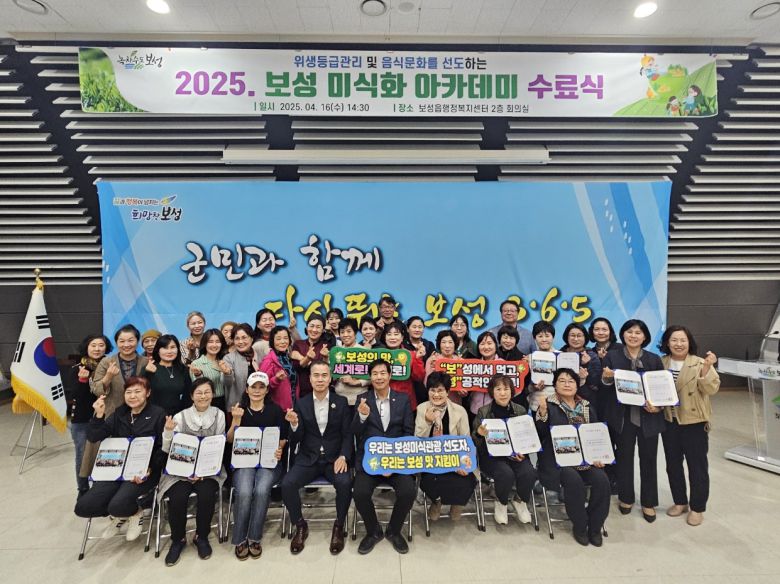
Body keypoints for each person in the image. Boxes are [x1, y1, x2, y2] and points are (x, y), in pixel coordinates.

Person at [75, 377, 165, 542]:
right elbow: (94, 436)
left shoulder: (157, 414)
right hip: (115, 469)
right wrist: (99, 415)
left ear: (148, 393)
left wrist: (150, 468)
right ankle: (123, 514)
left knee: (118, 504)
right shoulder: (119, 413)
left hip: (143, 472)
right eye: (128, 392)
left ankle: (134, 513)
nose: (132, 396)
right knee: (83, 507)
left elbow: (162, 447)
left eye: (138, 391)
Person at [282, 360, 353, 555]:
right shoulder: (301, 403)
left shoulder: (341, 402)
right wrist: (294, 425)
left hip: (334, 459)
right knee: (287, 484)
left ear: (330, 378)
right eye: (316, 375)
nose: (320, 379)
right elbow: (296, 438)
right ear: (310, 379)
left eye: (324, 375)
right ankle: (300, 525)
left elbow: (347, 434)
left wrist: (344, 456)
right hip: (308, 458)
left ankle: (338, 526)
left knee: (345, 483)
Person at [536, 368, 610, 546]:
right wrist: (542, 411)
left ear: (577, 386)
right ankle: (580, 525)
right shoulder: (548, 404)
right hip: (558, 462)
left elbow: (596, 433)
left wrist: (599, 456)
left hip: (586, 460)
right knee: (573, 480)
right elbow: (539, 434)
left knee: (602, 481)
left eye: (571, 381)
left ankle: (595, 526)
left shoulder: (587, 406)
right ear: (555, 385)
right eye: (562, 381)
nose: (567, 384)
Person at [602, 319, 666, 522]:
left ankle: (648, 502)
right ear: (623, 334)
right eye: (629, 332)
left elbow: (661, 388)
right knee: (624, 459)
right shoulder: (612, 356)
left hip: (648, 417)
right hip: (623, 418)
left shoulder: (654, 359)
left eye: (638, 332)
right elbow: (604, 385)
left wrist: (658, 406)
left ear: (645, 336)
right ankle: (626, 498)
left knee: (649, 459)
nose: (633, 336)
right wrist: (607, 378)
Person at [158, 378, 227, 566]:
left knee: (207, 494)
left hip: (208, 469)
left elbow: (218, 446)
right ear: (191, 396)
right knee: (177, 497)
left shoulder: (219, 415)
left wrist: (203, 471)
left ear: (213, 394)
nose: (203, 396)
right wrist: (168, 432)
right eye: (199, 393)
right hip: (180, 469)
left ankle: (201, 536)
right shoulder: (180, 417)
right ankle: (178, 539)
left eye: (207, 392)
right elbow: (169, 449)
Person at [351, 360, 416, 555]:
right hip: (370, 461)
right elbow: (355, 432)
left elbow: (408, 432)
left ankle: (394, 531)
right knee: (360, 493)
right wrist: (362, 417)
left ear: (389, 376)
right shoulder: (362, 399)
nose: (379, 377)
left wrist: (392, 463)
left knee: (408, 492)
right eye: (375, 374)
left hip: (396, 461)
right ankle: (373, 531)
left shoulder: (402, 399)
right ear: (370, 377)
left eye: (382, 373)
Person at [659, 325, 720, 527]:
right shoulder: (661, 363)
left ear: (689, 342)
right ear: (667, 343)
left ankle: (697, 508)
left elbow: (712, 389)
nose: (678, 344)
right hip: (669, 421)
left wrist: (706, 369)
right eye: (674, 340)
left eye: (682, 340)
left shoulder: (701, 362)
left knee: (697, 466)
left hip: (694, 422)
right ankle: (680, 502)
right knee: (672, 464)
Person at [227, 371, 287, 560]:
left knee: (261, 490)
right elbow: (229, 440)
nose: (257, 391)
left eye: (261, 387)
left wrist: (279, 449)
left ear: (267, 390)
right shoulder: (239, 410)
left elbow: (282, 437)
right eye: (253, 387)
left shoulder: (275, 410)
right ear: (247, 389)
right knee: (244, 491)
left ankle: (254, 537)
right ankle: (239, 539)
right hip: (244, 462)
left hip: (268, 462)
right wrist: (236, 420)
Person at [473, 374, 536, 526]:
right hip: (492, 457)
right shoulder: (483, 412)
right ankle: (501, 503)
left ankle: (520, 500)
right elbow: (474, 441)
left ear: (511, 391)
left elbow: (527, 437)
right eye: (498, 389)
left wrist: (524, 453)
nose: (502, 393)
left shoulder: (520, 410)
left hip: (516, 455)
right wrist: (479, 434)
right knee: (506, 474)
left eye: (506, 389)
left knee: (529, 472)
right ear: (492, 392)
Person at [415, 372, 476, 522]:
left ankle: (457, 503)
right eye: (432, 390)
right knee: (432, 479)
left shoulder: (459, 411)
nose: (436, 394)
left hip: (455, 457)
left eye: (440, 390)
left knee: (468, 479)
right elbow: (417, 441)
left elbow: (466, 440)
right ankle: (437, 502)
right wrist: (428, 422)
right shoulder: (422, 408)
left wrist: (462, 462)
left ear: (448, 392)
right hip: (430, 458)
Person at [67, 334, 112, 497]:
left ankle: (102, 488)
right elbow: (75, 396)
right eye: (93, 345)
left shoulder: (111, 366)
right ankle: (83, 489)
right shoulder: (78, 368)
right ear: (86, 347)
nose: (97, 349)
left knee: (106, 453)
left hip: (106, 417)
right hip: (83, 419)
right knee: (83, 455)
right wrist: (82, 380)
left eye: (101, 345)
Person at [90, 324, 149, 417]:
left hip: (140, 415)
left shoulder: (146, 362)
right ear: (116, 343)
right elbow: (96, 391)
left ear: (137, 342)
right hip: (110, 414)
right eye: (122, 341)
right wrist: (108, 377)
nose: (126, 345)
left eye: (130, 340)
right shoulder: (106, 362)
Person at [380, 321, 425, 410]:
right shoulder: (379, 355)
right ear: (385, 337)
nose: (392, 337)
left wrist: (418, 358)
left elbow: (419, 377)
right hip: (383, 400)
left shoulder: (410, 355)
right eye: (389, 334)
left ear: (402, 337)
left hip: (406, 401)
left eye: (396, 334)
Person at [143, 334, 192, 416]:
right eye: (165, 348)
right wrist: (146, 373)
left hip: (178, 417)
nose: (169, 351)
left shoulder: (183, 370)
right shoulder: (150, 368)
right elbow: (142, 394)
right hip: (154, 417)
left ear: (178, 349)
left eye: (172, 347)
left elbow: (188, 397)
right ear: (158, 350)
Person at [560, 323, 603, 410]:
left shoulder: (592, 356)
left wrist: (585, 365)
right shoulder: (560, 354)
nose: (576, 339)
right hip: (561, 399)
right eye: (572, 335)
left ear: (585, 338)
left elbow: (595, 383)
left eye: (579, 336)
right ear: (567, 337)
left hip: (584, 401)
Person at [189, 329, 232, 411]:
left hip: (224, 402)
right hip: (206, 403)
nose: (214, 345)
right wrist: (198, 374)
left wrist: (227, 373)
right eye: (210, 342)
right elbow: (198, 388)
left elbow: (229, 384)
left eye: (217, 342)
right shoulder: (197, 363)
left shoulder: (224, 361)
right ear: (205, 343)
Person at [291, 315, 331, 399]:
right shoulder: (298, 344)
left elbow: (327, 370)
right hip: (301, 392)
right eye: (312, 326)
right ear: (306, 327)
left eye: (318, 327)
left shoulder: (327, 346)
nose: (314, 330)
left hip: (322, 392)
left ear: (323, 330)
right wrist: (307, 358)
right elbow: (296, 366)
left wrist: (325, 357)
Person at [260, 325, 298, 411]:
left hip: (294, 406)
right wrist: (276, 379)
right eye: (278, 339)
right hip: (277, 409)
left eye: (285, 338)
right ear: (272, 341)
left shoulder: (289, 357)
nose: (283, 341)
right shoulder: (268, 360)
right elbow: (262, 386)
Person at [333, 318, 369, 407]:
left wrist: (355, 382)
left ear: (355, 333)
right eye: (342, 332)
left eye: (349, 331)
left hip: (359, 398)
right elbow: (330, 373)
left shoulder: (364, 351)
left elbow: (372, 377)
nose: (345, 335)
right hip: (339, 397)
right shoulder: (336, 352)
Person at [467, 331, 505, 417]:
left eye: (489, 343)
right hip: (475, 410)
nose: (486, 347)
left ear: (495, 345)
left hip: (497, 410)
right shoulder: (473, 365)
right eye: (482, 344)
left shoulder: (504, 364)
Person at [223, 323, 257, 410]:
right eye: (237, 338)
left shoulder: (259, 354)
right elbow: (226, 383)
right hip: (236, 407)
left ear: (252, 338)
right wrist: (228, 373)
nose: (240, 342)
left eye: (244, 337)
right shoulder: (228, 358)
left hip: (258, 405)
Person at [526, 320, 556, 415]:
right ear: (534, 338)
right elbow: (526, 387)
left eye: (547, 336)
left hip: (557, 405)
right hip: (536, 405)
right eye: (540, 336)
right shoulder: (529, 358)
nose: (544, 339)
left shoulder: (561, 356)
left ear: (553, 337)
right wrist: (534, 388)